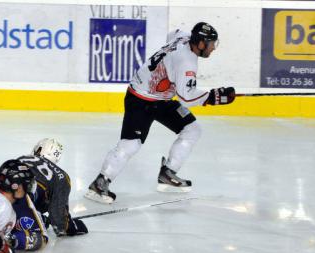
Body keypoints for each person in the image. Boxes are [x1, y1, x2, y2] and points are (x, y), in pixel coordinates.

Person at [85, 22, 236, 204]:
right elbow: (186, 98)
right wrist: (214, 97)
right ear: (200, 43)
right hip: (140, 99)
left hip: (161, 99)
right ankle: (100, 183)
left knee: (192, 129)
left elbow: (172, 33)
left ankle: (168, 173)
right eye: (210, 44)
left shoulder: (183, 36)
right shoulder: (187, 62)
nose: (213, 48)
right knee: (131, 144)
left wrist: (167, 69)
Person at [0, 138, 88, 252]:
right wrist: (73, 226)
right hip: (21, 197)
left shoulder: (24, 157)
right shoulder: (62, 177)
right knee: (42, 237)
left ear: (39, 149)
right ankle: (8, 239)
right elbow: (59, 222)